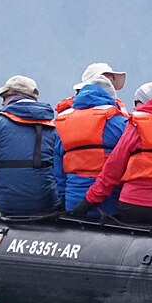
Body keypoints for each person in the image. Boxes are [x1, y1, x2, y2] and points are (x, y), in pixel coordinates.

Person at [72, 76, 152, 225]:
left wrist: (88, 202)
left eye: (136, 102)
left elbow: (112, 169)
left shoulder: (136, 125)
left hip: (132, 205)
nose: (134, 107)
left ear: (146, 102)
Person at [0, 74, 60, 216]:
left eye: (4, 97)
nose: (2, 103)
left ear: (16, 95)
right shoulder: (54, 128)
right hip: (48, 202)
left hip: (9, 204)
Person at [53, 75, 129, 218]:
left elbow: (59, 172)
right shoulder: (121, 124)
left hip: (73, 203)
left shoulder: (63, 123)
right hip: (111, 206)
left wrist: (63, 201)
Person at [55, 62, 128, 113]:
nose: (110, 86)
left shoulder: (69, 108)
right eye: (105, 82)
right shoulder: (74, 107)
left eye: (111, 82)